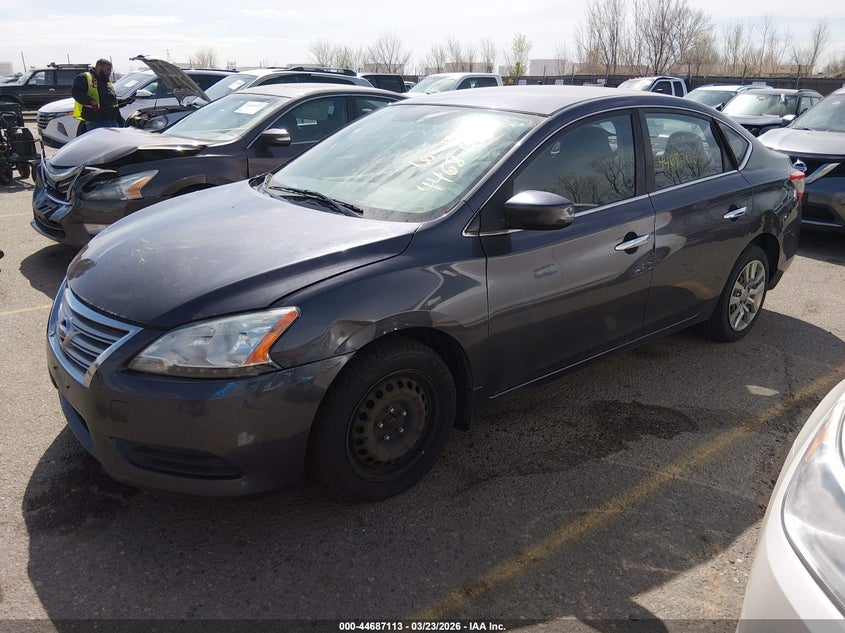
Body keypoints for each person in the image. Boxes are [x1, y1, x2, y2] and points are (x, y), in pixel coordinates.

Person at [71, 59, 131, 134]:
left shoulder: (106, 82)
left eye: (110, 70)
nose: (109, 72)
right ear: (99, 67)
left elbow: (110, 101)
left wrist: (124, 101)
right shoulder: (85, 77)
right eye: (108, 70)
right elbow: (76, 92)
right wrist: (90, 102)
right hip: (96, 122)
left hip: (111, 120)